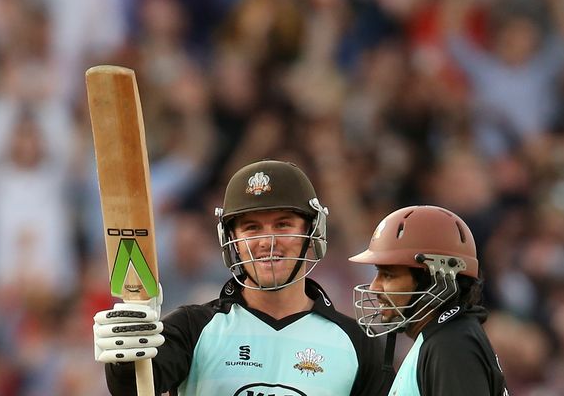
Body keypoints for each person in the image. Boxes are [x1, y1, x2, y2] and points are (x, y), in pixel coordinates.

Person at [93, 159, 392, 395]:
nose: (267, 242)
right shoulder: (192, 328)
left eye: (283, 224)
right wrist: (124, 356)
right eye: (252, 228)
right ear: (231, 240)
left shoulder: (357, 344)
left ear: (313, 231)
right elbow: (132, 388)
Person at [349, 205, 509, 395]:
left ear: (435, 279)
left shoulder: (451, 345)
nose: (374, 287)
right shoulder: (442, 338)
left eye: (388, 275)